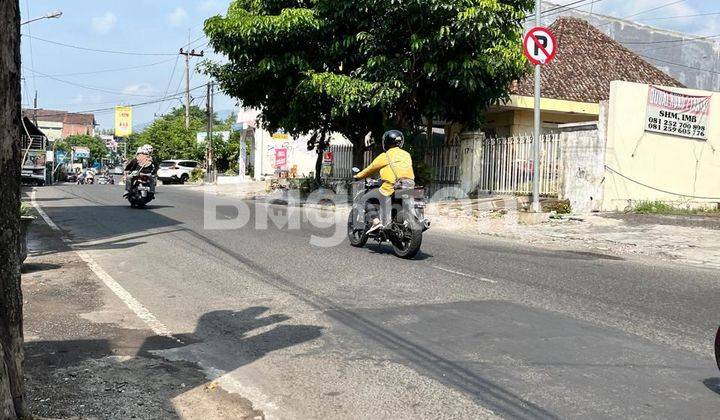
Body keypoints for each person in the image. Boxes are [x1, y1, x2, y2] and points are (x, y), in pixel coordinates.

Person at [353, 130, 415, 233]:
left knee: (365, 199)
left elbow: (370, 169)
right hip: (409, 185)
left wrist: (357, 176)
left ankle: (376, 222)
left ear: (386, 142)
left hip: (391, 187)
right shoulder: (407, 154)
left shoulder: (385, 156)